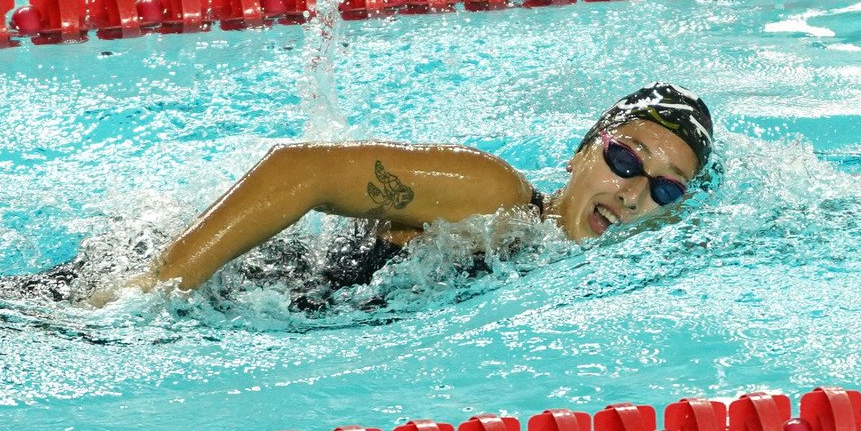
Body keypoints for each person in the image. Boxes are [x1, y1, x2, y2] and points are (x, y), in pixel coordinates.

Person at [84, 82, 714, 307]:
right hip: (218, 287)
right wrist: (155, 285)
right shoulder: (494, 196)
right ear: (582, 152)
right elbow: (301, 169)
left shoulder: (560, 262)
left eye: (664, 188)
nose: (633, 194)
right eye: (626, 159)